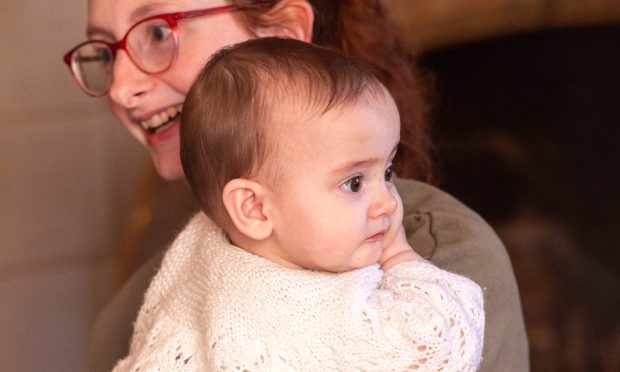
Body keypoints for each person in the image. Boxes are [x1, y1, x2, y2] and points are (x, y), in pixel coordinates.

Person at [63, 1, 528, 371]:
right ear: (250, 207)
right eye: (105, 52)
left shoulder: (433, 257)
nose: (120, 88)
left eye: (159, 32)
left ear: (281, 34)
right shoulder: (135, 311)